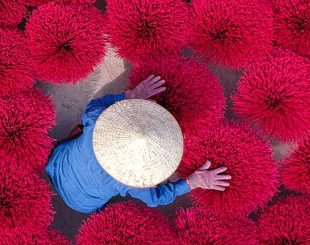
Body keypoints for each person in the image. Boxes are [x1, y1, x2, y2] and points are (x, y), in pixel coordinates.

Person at [46, 74, 231, 214]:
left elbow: (93, 105)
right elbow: (157, 198)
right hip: (82, 205)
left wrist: (132, 94)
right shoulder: (133, 181)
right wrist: (193, 182)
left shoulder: (96, 122)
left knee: (81, 129)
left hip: (53, 165)